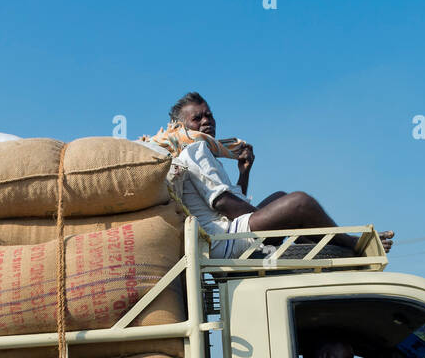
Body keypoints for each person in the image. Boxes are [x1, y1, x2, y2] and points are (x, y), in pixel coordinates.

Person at [149, 92, 394, 259]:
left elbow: (230, 200)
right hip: (223, 241)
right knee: (298, 203)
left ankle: (316, 239)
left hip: (228, 230)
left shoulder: (207, 152)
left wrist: (244, 173)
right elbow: (223, 204)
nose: (206, 121)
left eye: (209, 115)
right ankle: (353, 244)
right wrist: (272, 219)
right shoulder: (195, 149)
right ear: (182, 127)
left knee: (280, 198)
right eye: (197, 118)